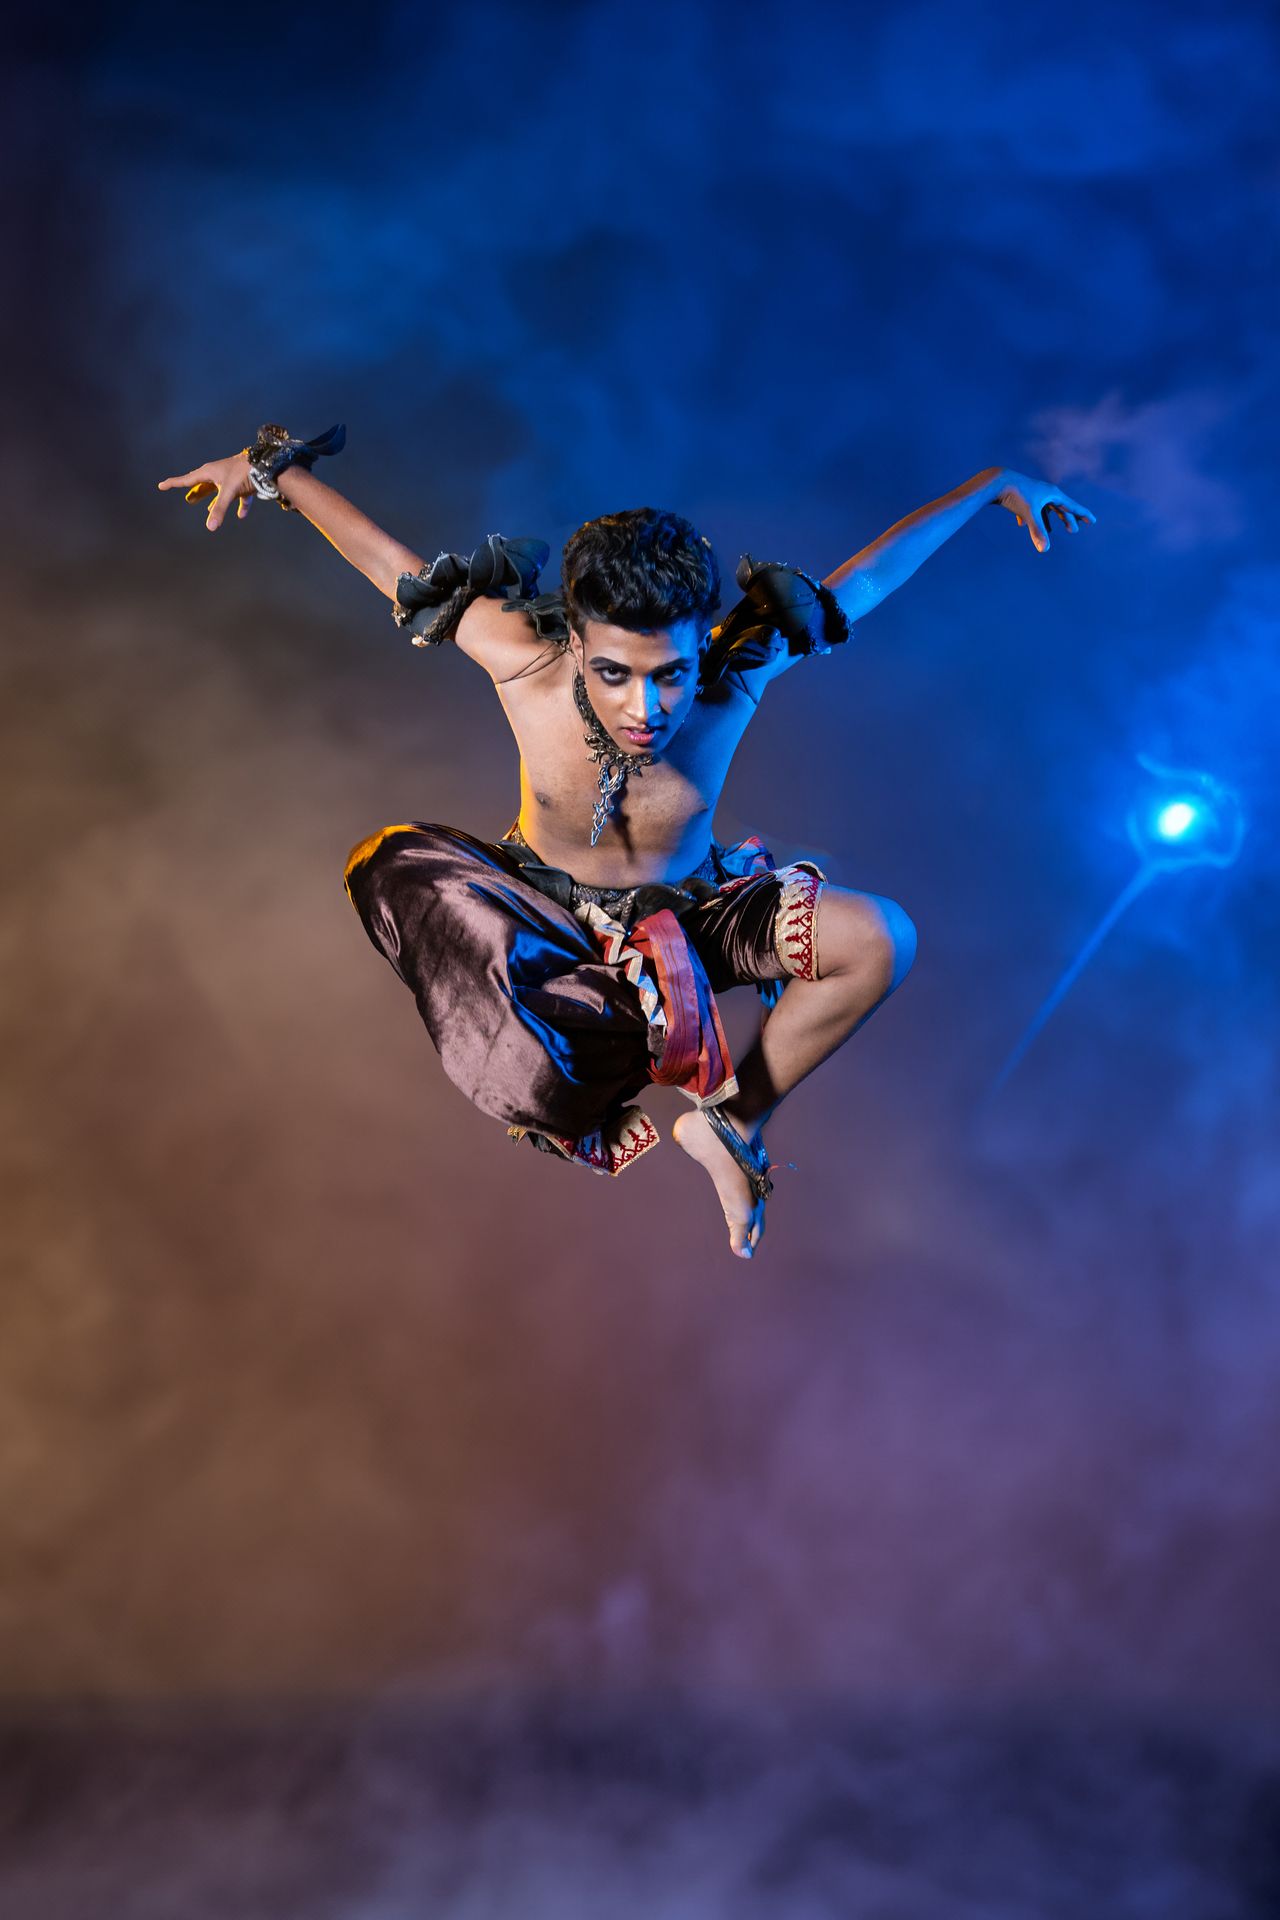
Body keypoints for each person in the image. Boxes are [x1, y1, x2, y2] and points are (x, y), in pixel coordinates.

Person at [158, 425, 1094, 1259]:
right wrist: (270, 470)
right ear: (574, 644)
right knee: (394, 865)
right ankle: (595, 1057)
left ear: (701, 649)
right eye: (613, 675)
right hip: (550, 925)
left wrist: (990, 486)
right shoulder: (519, 654)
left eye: (670, 676)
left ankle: (731, 1129)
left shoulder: (738, 670)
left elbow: (868, 578)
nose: (646, 709)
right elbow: (389, 566)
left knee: (882, 938)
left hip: (697, 914)